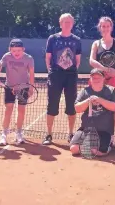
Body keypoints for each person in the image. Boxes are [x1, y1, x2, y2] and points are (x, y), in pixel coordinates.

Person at [43, 13, 82, 145]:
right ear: (60, 24)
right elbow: (48, 57)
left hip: (71, 76)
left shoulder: (77, 40)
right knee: (52, 104)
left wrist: (71, 70)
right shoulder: (52, 38)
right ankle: (48, 134)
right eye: (64, 22)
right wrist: (51, 71)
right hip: (55, 75)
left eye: (69, 22)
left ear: (72, 24)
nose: (67, 24)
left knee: (71, 105)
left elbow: (78, 60)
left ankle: (71, 134)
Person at [0, 39, 35, 146]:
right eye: (14, 51)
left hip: (23, 88)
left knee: (21, 110)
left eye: (19, 51)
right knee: (9, 109)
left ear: (23, 49)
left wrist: (31, 87)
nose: (16, 53)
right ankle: (4, 134)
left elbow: (31, 73)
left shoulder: (28, 58)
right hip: (9, 87)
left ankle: (19, 133)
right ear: (10, 50)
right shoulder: (7, 56)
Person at [70, 68, 115, 156]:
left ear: (103, 78)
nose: (96, 79)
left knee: (98, 152)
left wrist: (100, 100)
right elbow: (77, 108)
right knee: (74, 149)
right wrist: (88, 101)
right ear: (90, 79)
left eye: (98, 77)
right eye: (94, 77)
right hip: (86, 129)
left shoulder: (111, 90)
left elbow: (114, 107)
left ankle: (109, 143)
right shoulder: (85, 91)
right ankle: (89, 144)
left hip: (104, 130)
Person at [89, 17, 115, 90]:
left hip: (113, 78)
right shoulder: (96, 43)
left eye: (108, 26)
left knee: (113, 101)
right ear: (100, 28)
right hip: (98, 78)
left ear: (111, 27)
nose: (106, 28)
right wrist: (104, 69)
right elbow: (91, 61)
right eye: (103, 26)